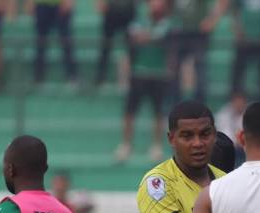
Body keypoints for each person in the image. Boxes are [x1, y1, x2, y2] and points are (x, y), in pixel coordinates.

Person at [116, 0, 173, 163]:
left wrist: (145, 37)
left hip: (159, 74)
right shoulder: (138, 21)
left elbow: (159, 38)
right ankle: (126, 144)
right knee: (129, 111)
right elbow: (133, 37)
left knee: (158, 113)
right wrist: (148, 37)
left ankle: (156, 146)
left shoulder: (168, 24)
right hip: (139, 72)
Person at [170, 0, 227, 104]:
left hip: (198, 34)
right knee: (174, 72)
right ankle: (175, 106)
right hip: (178, 32)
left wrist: (212, 21)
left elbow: (223, 2)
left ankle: (200, 106)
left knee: (201, 71)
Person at [29, 0, 76, 86]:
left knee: (66, 43)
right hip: (41, 5)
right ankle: (38, 79)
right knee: (40, 45)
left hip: (60, 5)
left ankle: (72, 77)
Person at [93, 0, 135, 87]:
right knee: (105, 47)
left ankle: (134, 76)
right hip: (111, 10)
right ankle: (100, 78)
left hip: (128, 9)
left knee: (132, 47)